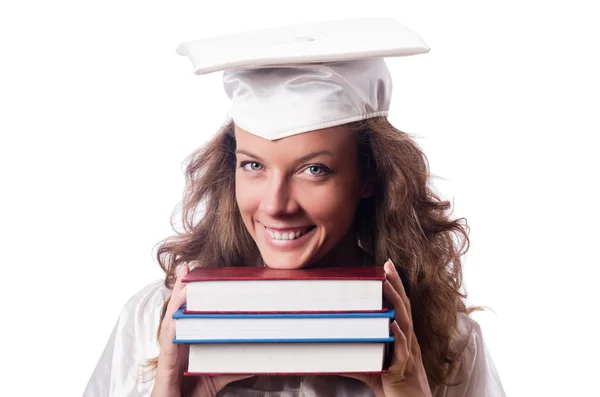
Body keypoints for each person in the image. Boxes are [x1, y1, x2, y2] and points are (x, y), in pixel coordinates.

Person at [83, 17, 506, 397]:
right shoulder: (154, 323)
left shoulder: (447, 342)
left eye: (314, 170)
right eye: (253, 165)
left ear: (369, 176)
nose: (275, 204)